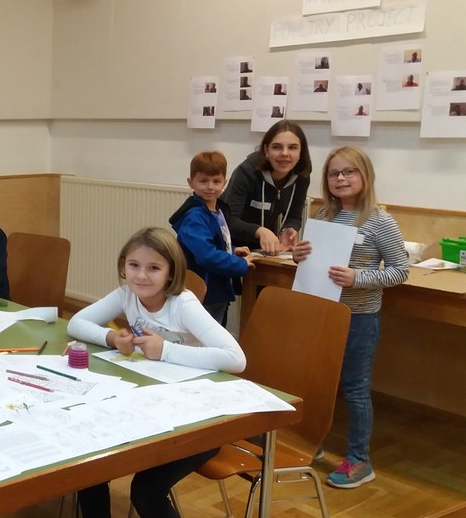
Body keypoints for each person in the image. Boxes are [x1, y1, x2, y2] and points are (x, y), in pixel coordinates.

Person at [68, 227, 246, 518]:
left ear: (170, 272)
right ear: (123, 266)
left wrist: (165, 350)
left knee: (147, 490)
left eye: (153, 268)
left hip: (200, 421)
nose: (141, 275)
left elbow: (236, 358)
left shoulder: (183, 304)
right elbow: (76, 322)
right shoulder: (127, 295)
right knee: (91, 464)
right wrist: (112, 338)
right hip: (154, 408)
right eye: (134, 265)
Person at [292, 147, 408, 489]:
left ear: (365, 176)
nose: (340, 178)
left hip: (359, 317)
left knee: (355, 388)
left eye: (349, 172)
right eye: (334, 173)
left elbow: (401, 270)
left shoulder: (380, 221)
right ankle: (311, 442)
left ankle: (359, 460)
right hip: (322, 312)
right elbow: (312, 261)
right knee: (317, 382)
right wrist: (298, 255)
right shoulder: (324, 215)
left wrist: (358, 278)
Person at [170, 151, 254, 326]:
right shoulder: (194, 217)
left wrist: (232, 250)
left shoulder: (217, 210)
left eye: (216, 181)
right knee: (203, 335)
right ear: (190, 182)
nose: (210, 187)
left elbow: (215, 240)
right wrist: (241, 265)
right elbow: (206, 255)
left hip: (217, 289)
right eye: (203, 181)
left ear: (225, 182)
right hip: (203, 292)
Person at [224, 119, 312, 254]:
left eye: (292, 147)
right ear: (266, 150)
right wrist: (259, 231)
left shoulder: (302, 176)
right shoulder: (246, 171)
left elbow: (294, 216)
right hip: (230, 244)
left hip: (262, 248)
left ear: (301, 152)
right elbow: (228, 220)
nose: (284, 153)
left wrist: (289, 228)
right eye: (277, 147)